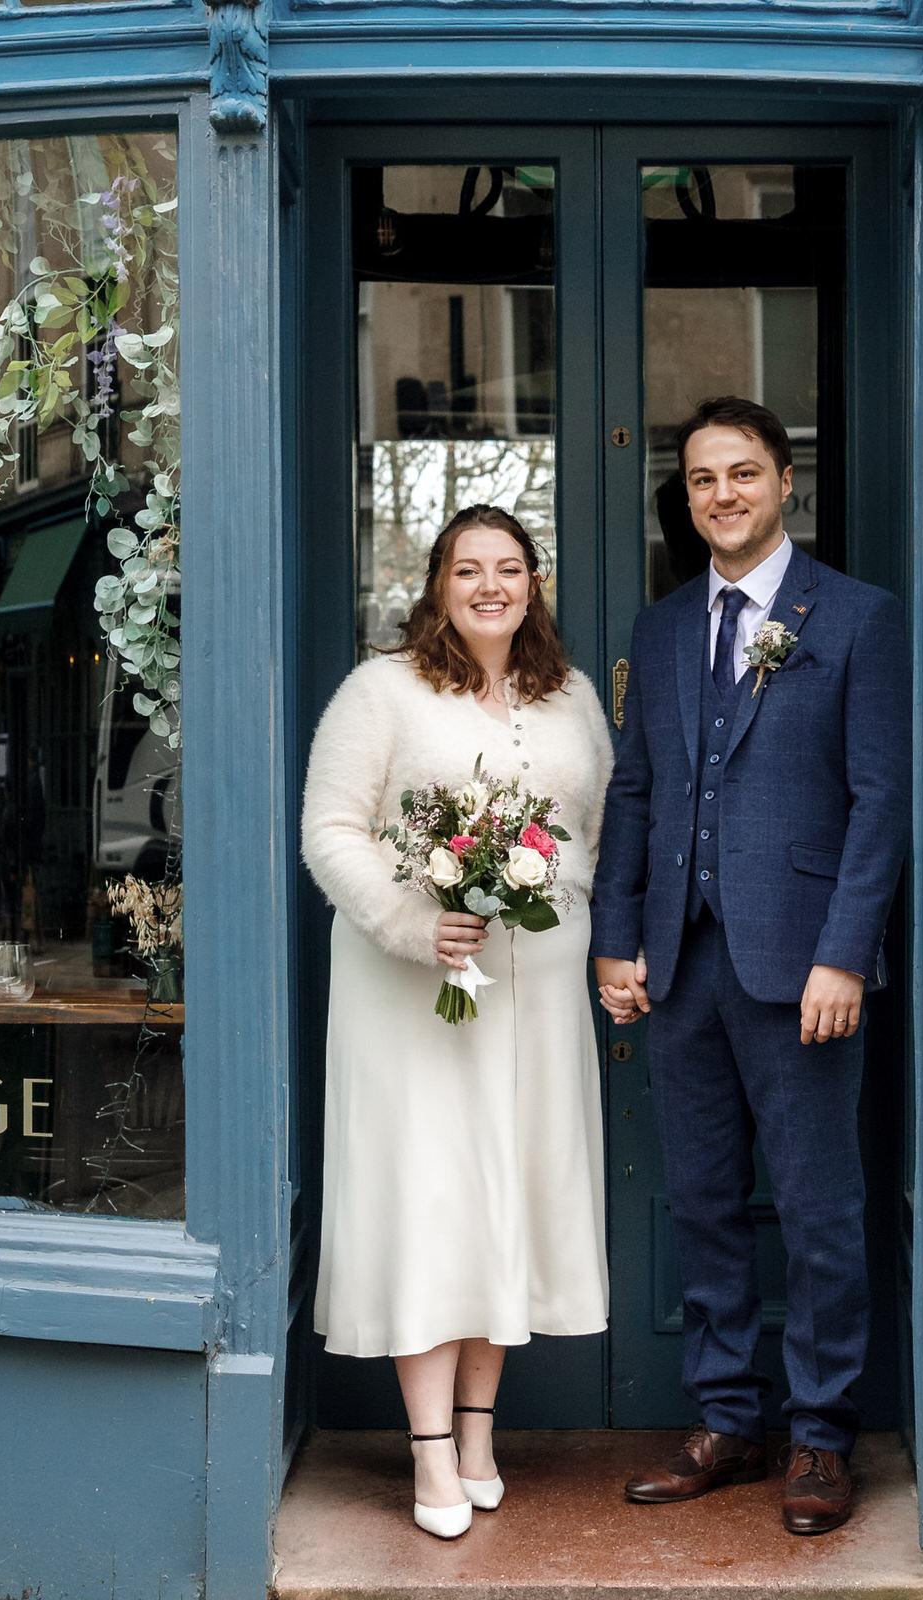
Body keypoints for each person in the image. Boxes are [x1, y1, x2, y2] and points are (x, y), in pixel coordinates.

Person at [592, 396, 910, 1536]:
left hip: (802, 970)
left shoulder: (860, 619)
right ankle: (727, 1417)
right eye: (699, 481)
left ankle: (822, 1435)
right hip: (680, 963)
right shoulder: (664, 627)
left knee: (821, 1209)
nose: (720, 495)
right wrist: (615, 935)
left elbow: (881, 802)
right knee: (705, 1203)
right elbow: (636, 791)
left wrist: (845, 954)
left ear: (785, 483)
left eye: (741, 474)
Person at [300, 504, 613, 1541]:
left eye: (511, 568)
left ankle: (479, 1430)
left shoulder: (569, 698)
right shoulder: (380, 690)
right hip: (414, 996)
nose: (491, 585)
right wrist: (410, 919)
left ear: (534, 583)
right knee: (432, 1200)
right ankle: (429, 1451)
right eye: (469, 568)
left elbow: (596, 841)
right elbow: (329, 832)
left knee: (507, 1197)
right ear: (438, 583)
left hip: (538, 989)